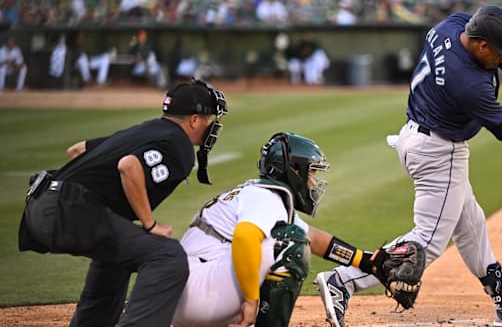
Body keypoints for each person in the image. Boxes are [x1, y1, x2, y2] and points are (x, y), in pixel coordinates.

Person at [314, 5, 502, 327]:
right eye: (499, 54)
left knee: (471, 226)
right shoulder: (467, 83)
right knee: (428, 242)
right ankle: (342, 281)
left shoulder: (456, 25)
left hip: (419, 137)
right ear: (482, 45)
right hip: (439, 153)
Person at [18, 79, 228, 327]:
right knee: (168, 257)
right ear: (194, 120)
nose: (211, 125)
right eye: (209, 119)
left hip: (41, 205)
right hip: (68, 210)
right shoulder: (179, 145)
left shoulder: (145, 129)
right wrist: (150, 224)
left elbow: (77, 150)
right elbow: (129, 166)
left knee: (119, 256)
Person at [172, 132, 392, 327]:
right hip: (201, 295)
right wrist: (251, 301)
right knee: (289, 245)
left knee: (293, 238)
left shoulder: (259, 194)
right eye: (311, 172)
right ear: (295, 170)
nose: (313, 181)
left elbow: (314, 239)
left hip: (183, 294)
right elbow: (245, 236)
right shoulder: (266, 199)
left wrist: (366, 261)